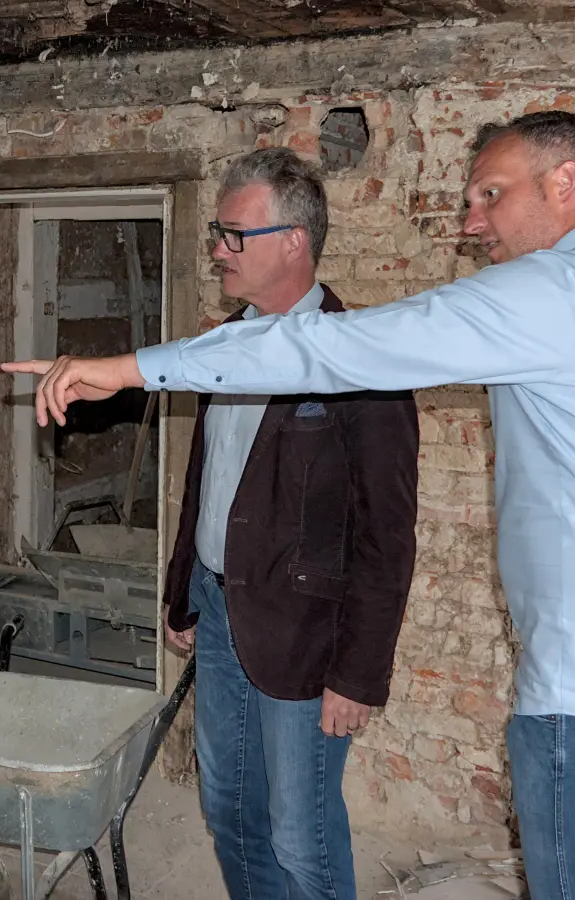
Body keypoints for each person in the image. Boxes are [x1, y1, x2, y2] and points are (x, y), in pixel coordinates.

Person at [2, 111, 575, 900]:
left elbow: (344, 352)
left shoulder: (564, 289)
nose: (473, 224)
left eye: (491, 194)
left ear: (564, 183)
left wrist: (127, 368)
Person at [153, 148, 419, 900]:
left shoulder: (359, 359)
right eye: (216, 233)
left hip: (305, 634)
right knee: (230, 810)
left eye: (235, 235)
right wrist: (185, 592)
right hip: (219, 608)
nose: (217, 250)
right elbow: (206, 479)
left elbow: (387, 534)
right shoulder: (224, 344)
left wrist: (359, 674)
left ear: (294, 242)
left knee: (299, 832)